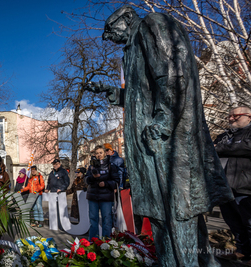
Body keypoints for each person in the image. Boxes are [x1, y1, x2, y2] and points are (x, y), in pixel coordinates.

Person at [85, 6, 233, 266]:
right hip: (153, 146)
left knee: (176, 212)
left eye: (111, 30)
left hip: (167, 145)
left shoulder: (152, 25)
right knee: (169, 216)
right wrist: (112, 92)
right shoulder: (133, 48)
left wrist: (164, 121)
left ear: (127, 18)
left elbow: (173, 76)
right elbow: (142, 98)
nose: (109, 37)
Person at [214, 106, 251, 261]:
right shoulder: (224, 136)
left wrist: (220, 148)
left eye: (236, 116)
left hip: (245, 187)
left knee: (249, 221)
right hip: (224, 188)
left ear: (249, 116)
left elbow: (246, 147)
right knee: (233, 222)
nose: (231, 119)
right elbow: (210, 149)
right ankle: (242, 250)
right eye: (229, 116)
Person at [86, 145, 120, 240]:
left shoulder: (111, 165)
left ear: (104, 153)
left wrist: (105, 184)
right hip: (93, 196)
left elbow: (116, 181)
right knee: (93, 220)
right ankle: (93, 242)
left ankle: (106, 243)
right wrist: (93, 177)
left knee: (107, 220)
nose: (99, 155)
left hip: (106, 197)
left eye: (100, 153)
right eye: (97, 153)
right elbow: (86, 180)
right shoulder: (91, 166)